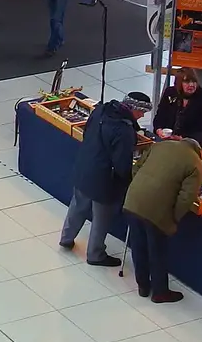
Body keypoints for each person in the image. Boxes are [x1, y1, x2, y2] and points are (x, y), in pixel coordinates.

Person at [59, 91, 151, 266]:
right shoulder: (124, 130)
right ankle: (95, 254)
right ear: (133, 109)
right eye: (142, 112)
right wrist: (128, 180)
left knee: (78, 205)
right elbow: (122, 162)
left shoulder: (101, 110)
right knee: (101, 218)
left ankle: (66, 237)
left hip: (85, 166)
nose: (142, 116)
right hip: (104, 179)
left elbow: (87, 133)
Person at [122, 133, 202, 304]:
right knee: (157, 251)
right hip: (156, 211)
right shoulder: (195, 163)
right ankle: (160, 292)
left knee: (138, 246)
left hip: (132, 201)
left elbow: (136, 168)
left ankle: (143, 286)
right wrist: (173, 218)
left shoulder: (160, 145)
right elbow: (186, 198)